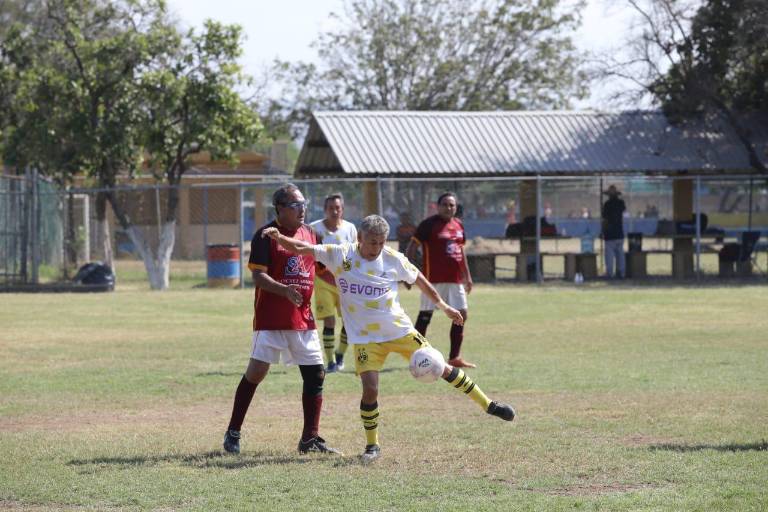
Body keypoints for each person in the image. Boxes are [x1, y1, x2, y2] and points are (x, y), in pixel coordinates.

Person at [262, 215, 516, 462]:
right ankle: (372, 445)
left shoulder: (393, 259)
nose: (377, 248)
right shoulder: (340, 254)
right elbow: (302, 247)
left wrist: (443, 305)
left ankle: (489, 405)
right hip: (364, 339)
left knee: (443, 368)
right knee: (370, 389)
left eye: (382, 242)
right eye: (372, 242)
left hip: (400, 331)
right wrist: (279, 236)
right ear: (360, 237)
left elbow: (419, 278)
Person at [222, 183, 340, 456]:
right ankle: (233, 432)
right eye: (296, 205)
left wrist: (345, 286)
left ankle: (310, 438)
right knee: (256, 373)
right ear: (280, 209)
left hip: (303, 318)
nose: (302, 210)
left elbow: (321, 269)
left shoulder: (311, 234)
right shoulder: (265, 236)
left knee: (316, 374)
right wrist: (284, 290)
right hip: (271, 318)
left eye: (304, 205)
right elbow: (258, 276)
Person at [406, 192, 475, 368]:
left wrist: (467, 276)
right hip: (433, 280)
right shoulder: (428, 225)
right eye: (445, 204)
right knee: (425, 316)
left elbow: (461, 252)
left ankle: (454, 357)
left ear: (456, 207)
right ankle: (415, 353)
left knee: (462, 315)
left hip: (455, 279)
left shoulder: (458, 225)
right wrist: (408, 273)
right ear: (438, 206)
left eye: (452, 205)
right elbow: (412, 247)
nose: (448, 208)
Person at [309, 193, 357, 372]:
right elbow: (307, 252)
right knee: (329, 321)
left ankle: (340, 355)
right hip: (323, 281)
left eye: (338, 208)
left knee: (347, 321)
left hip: (345, 283)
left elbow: (354, 252)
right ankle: (329, 362)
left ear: (342, 209)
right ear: (325, 210)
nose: (335, 211)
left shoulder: (350, 228)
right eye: (331, 208)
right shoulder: (314, 229)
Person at [602, 185, 627, 279]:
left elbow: (605, 220)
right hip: (619, 233)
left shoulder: (607, 204)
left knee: (609, 256)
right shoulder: (621, 203)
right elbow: (624, 211)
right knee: (620, 254)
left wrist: (603, 231)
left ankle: (610, 273)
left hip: (609, 233)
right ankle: (621, 272)